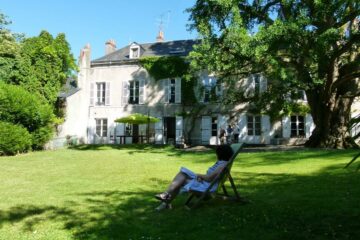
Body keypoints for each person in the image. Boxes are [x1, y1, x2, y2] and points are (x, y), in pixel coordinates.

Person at [154, 145, 234, 210]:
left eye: (217, 153)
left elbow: (210, 178)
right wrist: (201, 177)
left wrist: (199, 175)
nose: (216, 154)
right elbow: (211, 177)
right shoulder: (222, 163)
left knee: (181, 178)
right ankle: (166, 199)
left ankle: (166, 199)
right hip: (205, 183)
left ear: (220, 154)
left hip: (207, 188)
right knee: (182, 174)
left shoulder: (222, 165)